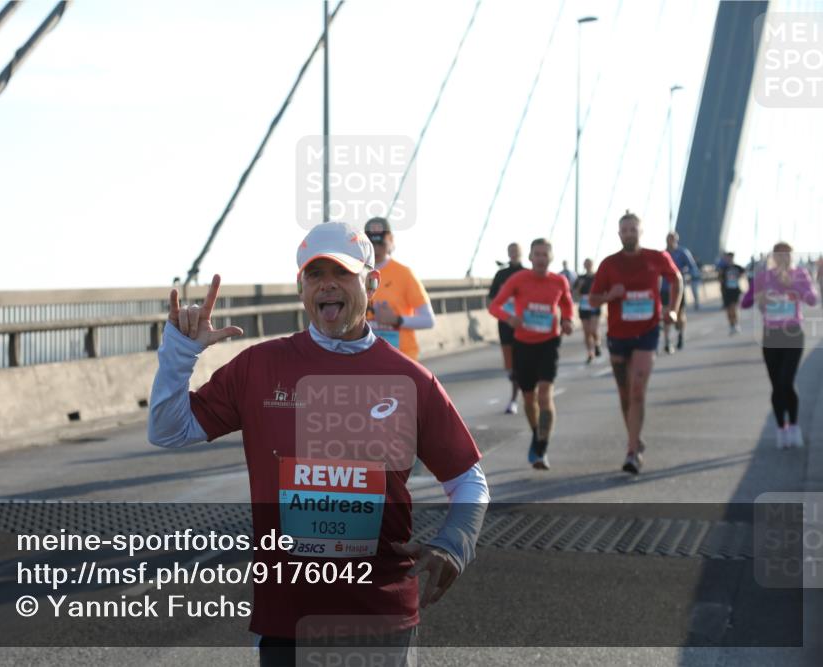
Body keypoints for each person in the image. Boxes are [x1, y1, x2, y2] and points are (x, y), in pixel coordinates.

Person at [147, 221, 489, 665]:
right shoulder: (259, 366)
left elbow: (469, 480)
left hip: (379, 616)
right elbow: (167, 430)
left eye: (342, 273)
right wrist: (178, 351)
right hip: (287, 617)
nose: (327, 284)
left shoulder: (411, 380)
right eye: (315, 274)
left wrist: (455, 542)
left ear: (371, 282)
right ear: (301, 287)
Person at [589, 211, 682, 474]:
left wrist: (672, 308)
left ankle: (631, 452)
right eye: (625, 230)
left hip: (647, 331)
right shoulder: (609, 264)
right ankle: (635, 438)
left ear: (641, 232)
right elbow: (592, 300)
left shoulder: (656, 258)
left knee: (638, 389)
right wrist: (610, 296)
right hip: (618, 335)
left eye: (633, 229)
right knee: (624, 393)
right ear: (619, 234)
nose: (629, 233)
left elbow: (677, 279)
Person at [488, 239, 574, 470]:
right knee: (529, 398)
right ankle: (537, 433)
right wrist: (510, 318)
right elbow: (495, 306)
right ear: (530, 258)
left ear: (551, 257)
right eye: (537, 254)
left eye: (545, 254)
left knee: (545, 395)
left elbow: (567, 304)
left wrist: (567, 320)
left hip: (549, 343)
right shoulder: (518, 279)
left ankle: (541, 448)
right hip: (523, 344)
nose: (541, 258)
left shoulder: (559, 281)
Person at [741, 242, 819, 449]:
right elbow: (745, 302)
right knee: (776, 385)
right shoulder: (764, 277)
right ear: (773, 256)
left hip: (793, 335)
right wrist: (759, 295)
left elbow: (812, 299)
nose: (783, 257)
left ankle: (794, 426)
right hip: (771, 335)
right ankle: (781, 429)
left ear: (791, 256)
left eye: (787, 254)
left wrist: (794, 286)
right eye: (779, 254)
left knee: (787, 382)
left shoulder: (800, 274)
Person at [363, 217, 436, 361]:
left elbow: (429, 320)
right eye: (371, 242)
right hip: (367, 358)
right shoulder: (356, 273)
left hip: (402, 359)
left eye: (380, 241)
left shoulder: (404, 274)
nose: (376, 246)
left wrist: (397, 320)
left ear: (390, 239)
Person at [488, 243, 526, 415]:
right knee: (510, 366)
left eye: (516, 251)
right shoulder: (501, 274)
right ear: (508, 253)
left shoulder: (527, 274)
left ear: (521, 254)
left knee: (521, 362)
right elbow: (491, 300)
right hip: (505, 323)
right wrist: (505, 316)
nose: (513, 254)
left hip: (523, 324)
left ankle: (514, 398)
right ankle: (517, 388)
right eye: (511, 251)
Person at [661, 232, 701, 353]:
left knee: (679, 314)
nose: (671, 241)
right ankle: (667, 342)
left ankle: (680, 335)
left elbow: (693, 267)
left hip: (678, 288)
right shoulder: (662, 254)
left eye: (673, 239)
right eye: (669, 239)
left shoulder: (683, 252)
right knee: (665, 314)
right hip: (664, 288)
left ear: (677, 240)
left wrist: (685, 272)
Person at [572, 258, 602, 364]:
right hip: (584, 305)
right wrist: (579, 286)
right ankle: (590, 353)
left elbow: (603, 290)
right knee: (586, 331)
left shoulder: (597, 277)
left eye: (590, 263)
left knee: (593, 329)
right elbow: (575, 294)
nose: (588, 265)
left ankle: (597, 344)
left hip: (594, 305)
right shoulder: (580, 278)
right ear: (584, 265)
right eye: (586, 264)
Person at [718, 252, 746, 334]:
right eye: (727, 258)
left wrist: (739, 278)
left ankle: (736, 324)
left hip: (735, 290)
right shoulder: (723, 268)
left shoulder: (737, 267)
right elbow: (720, 278)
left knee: (734, 308)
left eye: (730, 258)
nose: (729, 259)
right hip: (726, 291)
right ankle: (731, 325)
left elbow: (743, 273)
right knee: (728, 310)